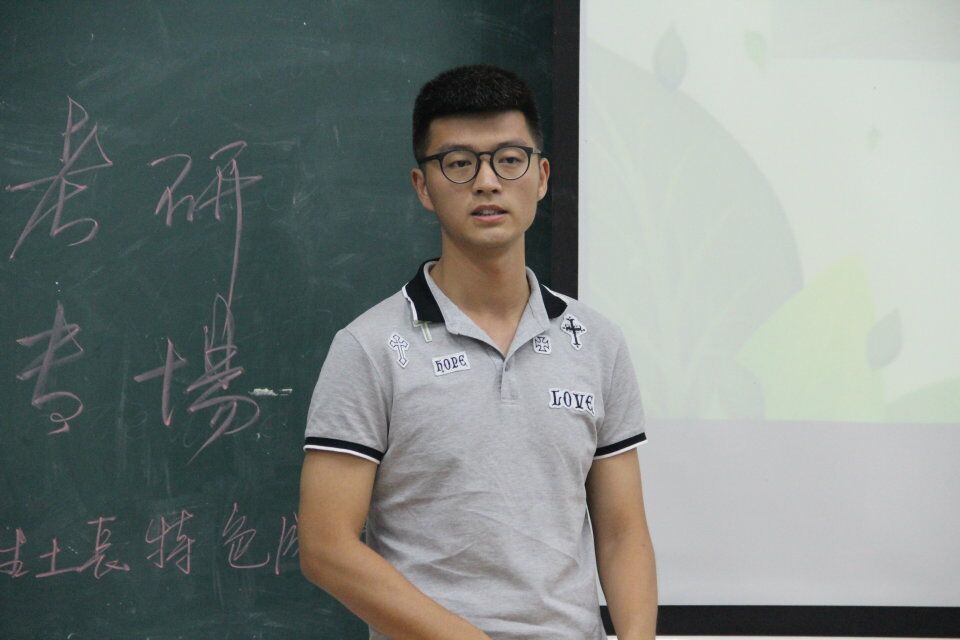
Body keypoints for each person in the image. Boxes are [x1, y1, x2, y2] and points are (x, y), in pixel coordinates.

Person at [298, 64, 657, 640]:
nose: (487, 182)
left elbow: (622, 533)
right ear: (423, 186)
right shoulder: (370, 347)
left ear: (541, 177)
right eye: (459, 163)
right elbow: (325, 547)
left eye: (509, 160)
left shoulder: (596, 341)